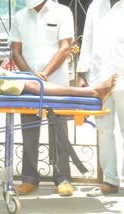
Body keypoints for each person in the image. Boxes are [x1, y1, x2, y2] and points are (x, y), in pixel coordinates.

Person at [10, 0, 75, 196]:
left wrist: (44, 74)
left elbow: (65, 48)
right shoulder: (20, 17)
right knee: (29, 129)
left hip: (56, 82)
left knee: (59, 130)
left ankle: (62, 178)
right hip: (29, 84)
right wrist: (31, 76)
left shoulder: (62, 12)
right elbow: (15, 51)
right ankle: (29, 178)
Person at [77, 0, 124, 197]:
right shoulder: (96, 6)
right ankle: (110, 179)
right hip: (99, 80)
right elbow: (87, 41)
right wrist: (81, 74)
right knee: (104, 131)